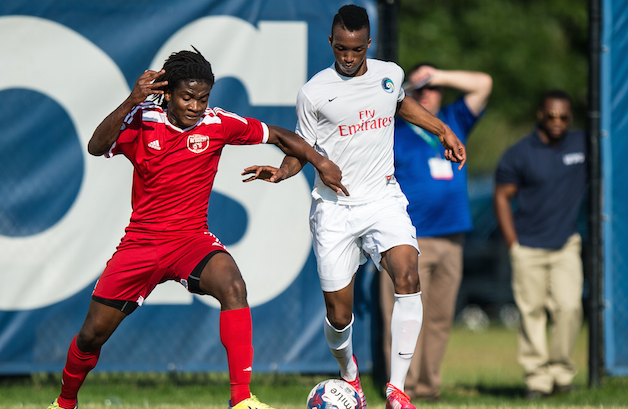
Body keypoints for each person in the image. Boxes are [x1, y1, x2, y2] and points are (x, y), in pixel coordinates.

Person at [47, 48, 345, 409]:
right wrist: (131, 99)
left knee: (233, 286)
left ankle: (241, 399)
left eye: (202, 99)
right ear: (168, 93)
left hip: (191, 241)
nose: (195, 107)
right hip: (141, 245)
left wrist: (319, 162)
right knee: (92, 334)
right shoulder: (142, 118)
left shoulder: (217, 124)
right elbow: (96, 147)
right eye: (187, 97)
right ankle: (64, 403)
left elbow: (280, 135)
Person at [242, 5, 466, 409]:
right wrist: (281, 172)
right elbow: (300, 148)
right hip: (334, 210)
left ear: (368, 45)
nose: (348, 57)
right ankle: (350, 375)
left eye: (356, 50)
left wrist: (444, 129)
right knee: (339, 315)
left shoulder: (389, 75)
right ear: (331, 43)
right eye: (341, 49)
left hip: (383, 198)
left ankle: (397, 391)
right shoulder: (313, 92)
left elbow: (400, 105)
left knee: (408, 274)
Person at [379, 63, 492, 401]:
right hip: (409, 239)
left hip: (452, 238)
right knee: (402, 314)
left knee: (440, 317)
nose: (428, 94)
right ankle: (403, 387)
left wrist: (437, 75)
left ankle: (428, 387)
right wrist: (411, 84)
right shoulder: (394, 128)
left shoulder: (453, 121)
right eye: (421, 88)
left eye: (434, 89)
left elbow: (483, 82)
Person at [493, 89, 586, 399]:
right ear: (540, 116)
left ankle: (561, 372)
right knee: (531, 313)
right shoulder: (519, 153)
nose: (557, 121)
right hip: (528, 246)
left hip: (565, 244)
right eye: (551, 116)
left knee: (569, 308)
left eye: (563, 116)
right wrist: (513, 246)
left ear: (570, 118)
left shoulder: (583, 144)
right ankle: (537, 379)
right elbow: (502, 197)